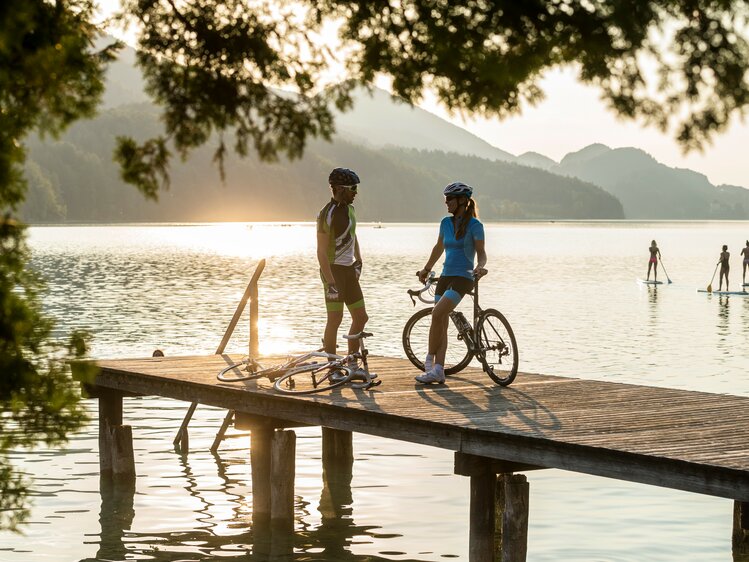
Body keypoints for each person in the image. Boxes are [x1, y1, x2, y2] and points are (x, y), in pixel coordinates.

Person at [414, 182, 487, 384]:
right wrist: (426, 268)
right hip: (445, 277)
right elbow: (438, 248)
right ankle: (439, 369)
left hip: (463, 277)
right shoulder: (445, 223)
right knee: (441, 322)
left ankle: (429, 362)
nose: (446, 203)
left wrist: (480, 267)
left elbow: (481, 253)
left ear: (462, 201)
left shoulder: (475, 226)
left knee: (437, 313)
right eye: (445, 199)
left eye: (450, 199)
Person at [316, 167, 368, 374]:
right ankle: (332, 367)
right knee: (335, 320)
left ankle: (353, 364)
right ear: (339, 189)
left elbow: (353, 236)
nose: (356, 192)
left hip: (349, 270)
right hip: (333, 271)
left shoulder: (350, 209)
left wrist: (359, 260)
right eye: (352, 188)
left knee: (361, 317)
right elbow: (321, 252)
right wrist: (330, 282)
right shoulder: (326, 214)